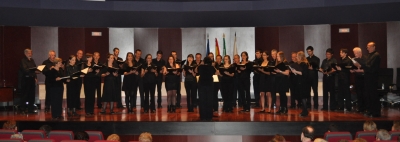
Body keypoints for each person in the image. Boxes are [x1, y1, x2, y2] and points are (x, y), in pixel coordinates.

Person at [354, 42, 381, 117]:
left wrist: (361, 65)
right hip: (367, 77)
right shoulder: (369, 55)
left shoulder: (376, 55)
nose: (367, 48)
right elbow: (367, 65)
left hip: (373, 78)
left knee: (373, 95)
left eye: (368, 47)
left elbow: (371, 67)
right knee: (368, 95)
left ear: (373, 47)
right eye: (367, 47)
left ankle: (375, 112)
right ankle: (370, 110)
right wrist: (359, 65)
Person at [18, 48, 40, 114]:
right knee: (25, 95)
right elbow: (25, 70)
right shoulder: (23, 60)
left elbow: (34, 68)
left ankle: (31, 109)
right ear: (25, 53)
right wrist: (33, 71)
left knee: (32, 95)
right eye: (29, 53)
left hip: (31, 79)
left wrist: (35, 77)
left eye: (31, 53)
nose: (30, 54)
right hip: (25, 79)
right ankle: (22, 109)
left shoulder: (32, 60)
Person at [291, 51, 310, 117]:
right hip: (300, 82)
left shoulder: (304, 64)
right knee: (302, 97)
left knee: (303, 97)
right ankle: (304, 111)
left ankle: (305, 111)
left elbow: (303, 73)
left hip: (303, 83)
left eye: (297, 56)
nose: (296, 57)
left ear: (300, 57)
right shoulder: (300, 64)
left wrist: (295, 71)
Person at [198, 57, 216, 121]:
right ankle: (209, 116)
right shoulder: (211, 68)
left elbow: (197, 71)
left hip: (202, 85)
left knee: (202, 100)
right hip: (209, 85)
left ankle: (203, 116)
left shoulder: (201, 67)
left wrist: (201, 64)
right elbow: (215, 72)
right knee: (209, 100)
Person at [351, 47, 367, 113]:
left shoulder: (365, 58)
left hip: (364, 78)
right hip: (357, 77)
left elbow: (368, 68)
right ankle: (360, 108)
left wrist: (361, 70)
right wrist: (353, 70)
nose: (355, 55)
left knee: (364, 94)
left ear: (360, 52)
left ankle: (366, 108)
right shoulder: (355, 59)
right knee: (359, 94)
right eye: (354, 53)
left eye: (356, 53)